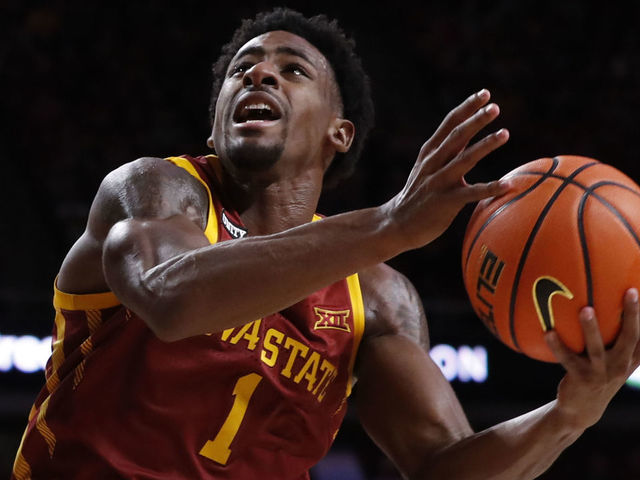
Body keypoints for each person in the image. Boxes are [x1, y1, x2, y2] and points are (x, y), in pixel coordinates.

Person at [12, 7, 640, 480]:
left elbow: (441, 464)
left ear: (339, 133)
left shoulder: (378, 297)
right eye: (242, 69)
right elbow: (171, 300)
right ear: (215, 121)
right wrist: (390, 226)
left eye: (293, 70)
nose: (259, 73)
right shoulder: (158, 190)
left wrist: (569, 417)